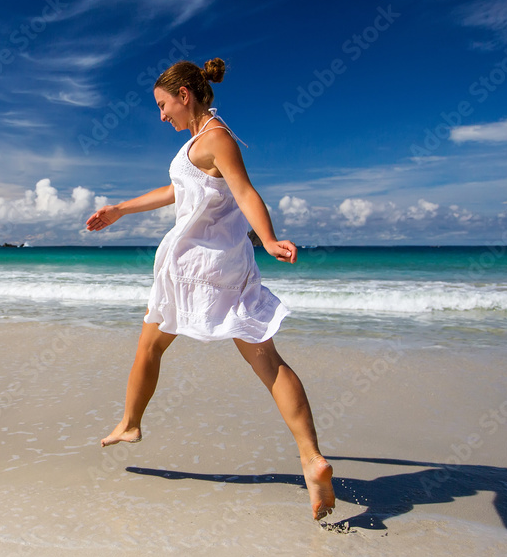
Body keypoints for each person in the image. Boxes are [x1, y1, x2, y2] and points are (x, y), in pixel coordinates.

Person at [85, 58, 336, 521]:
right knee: (268, 361)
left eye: (163, 106)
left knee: (149, 348)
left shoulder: (216, 138)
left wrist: (268, 238)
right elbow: (178, 189)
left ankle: (130, 424)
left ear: (185, 96)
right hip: (228, 268)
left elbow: (245, 191)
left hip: (190, 268)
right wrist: (120, 208)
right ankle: (311, 458)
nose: (162, 116)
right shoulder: (201, 144)